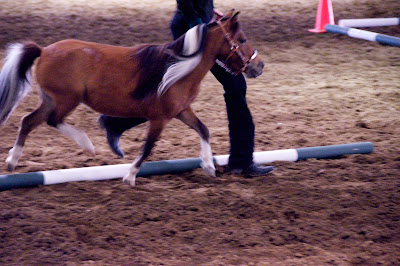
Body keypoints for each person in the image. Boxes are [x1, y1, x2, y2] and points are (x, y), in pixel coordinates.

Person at [98, 0, 275, 176]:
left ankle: (114, 123)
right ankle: (241, 161)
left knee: (176, 93)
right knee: (226, 87)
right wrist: (198, 24)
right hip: (196, 32)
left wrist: (208, 10)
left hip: (199, 26)